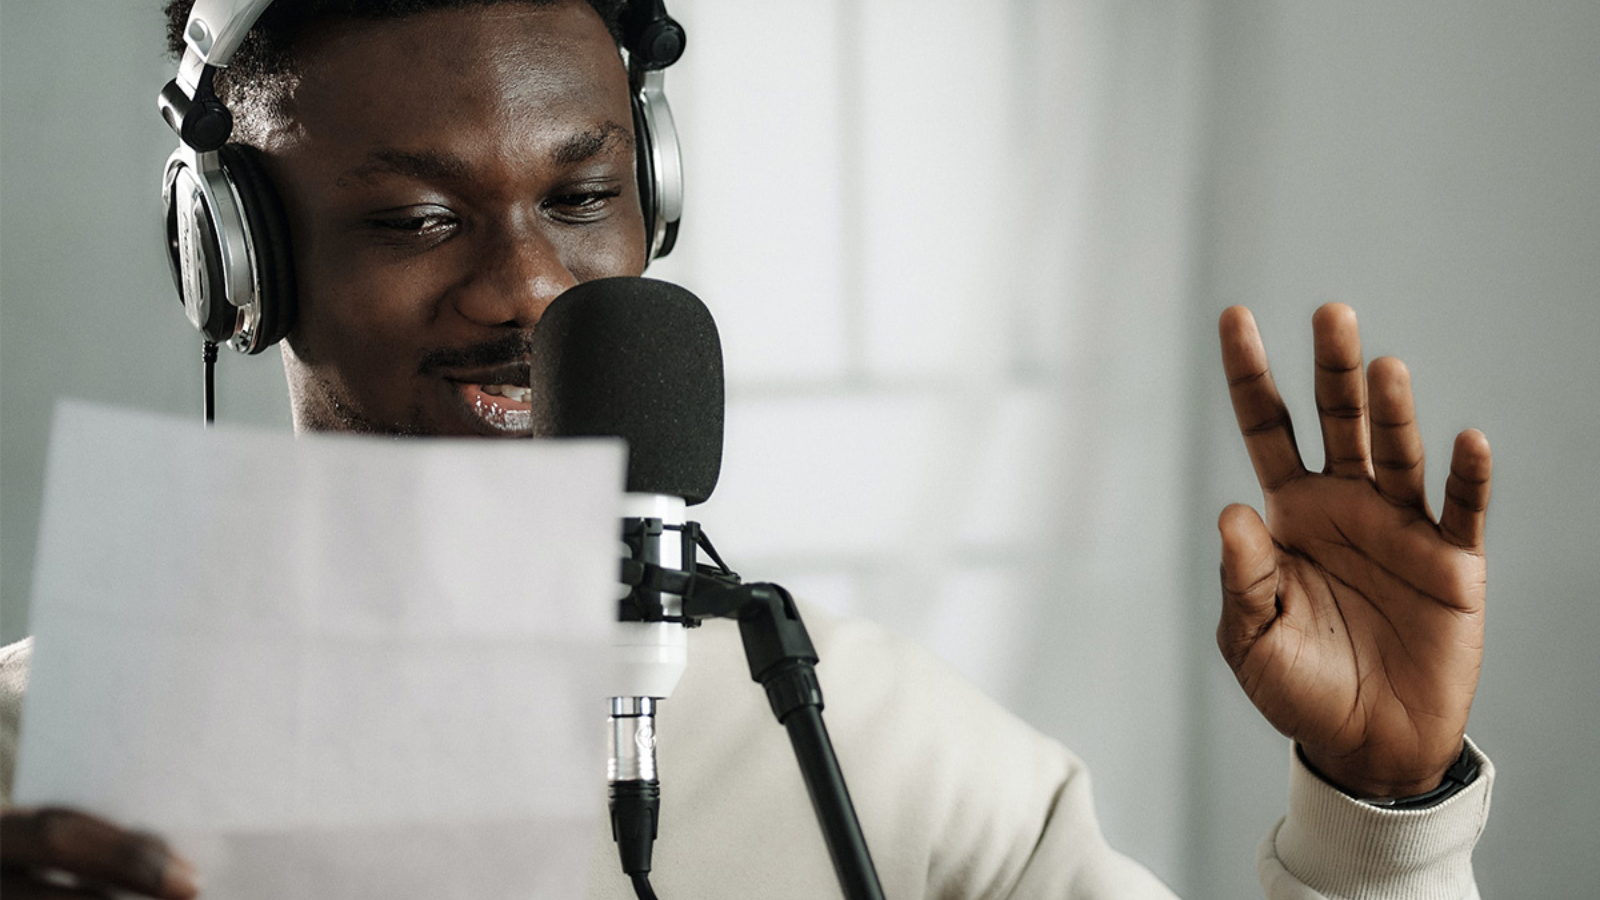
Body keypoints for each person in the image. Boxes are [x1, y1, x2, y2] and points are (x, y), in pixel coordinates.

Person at [0, 1, 1496, 897]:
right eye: (418, 218)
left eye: (580, 199)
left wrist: (1382, 813)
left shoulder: (886, 756)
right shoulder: (32, 768)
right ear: (239, 265)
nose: (528, 288)